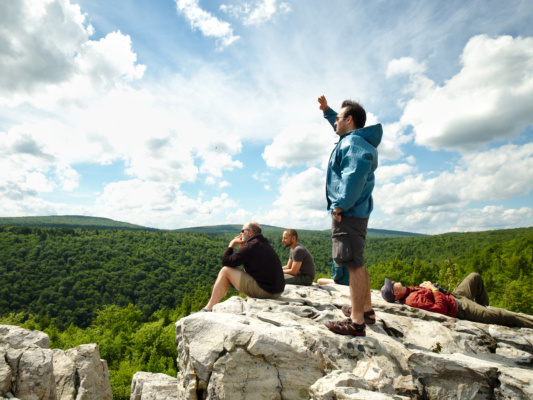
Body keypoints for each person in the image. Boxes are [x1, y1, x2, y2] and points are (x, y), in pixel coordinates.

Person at [318, 95, 383, 337]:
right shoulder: (356, 140)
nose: (335, 122)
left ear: (350, 120)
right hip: (356, 212)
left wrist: (339, 207)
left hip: (348, 213)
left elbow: (353, 178)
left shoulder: (353, 145)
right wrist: (327, 111)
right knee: (358, 261)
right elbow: (340, 125)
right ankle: (365, 310)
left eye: (338, 118)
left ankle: (357, 322)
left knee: (354, 265)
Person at [381, 273, 533, 328]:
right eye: (392, 284)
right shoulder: (413, 299)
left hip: (455, 296)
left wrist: (428, 287)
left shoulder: (409, 290)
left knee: (474, 277)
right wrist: (433, 289)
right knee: (504, 316)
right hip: (460, 307)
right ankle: (483, 313)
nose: (393, 281)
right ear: (396, 292)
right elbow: (441, 310)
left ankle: (482, 309)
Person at [202, 222, 285, 311]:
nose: (241, 233)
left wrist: (232, 244)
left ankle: (209, 307)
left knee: (225, 271)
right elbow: (249, 271)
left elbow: (226, 262)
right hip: (277, 290)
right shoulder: (263, 243)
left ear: (250, 233)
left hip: (268, 292)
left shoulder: (250, 246)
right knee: (247, 274)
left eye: (243, 231)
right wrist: (242, 248)